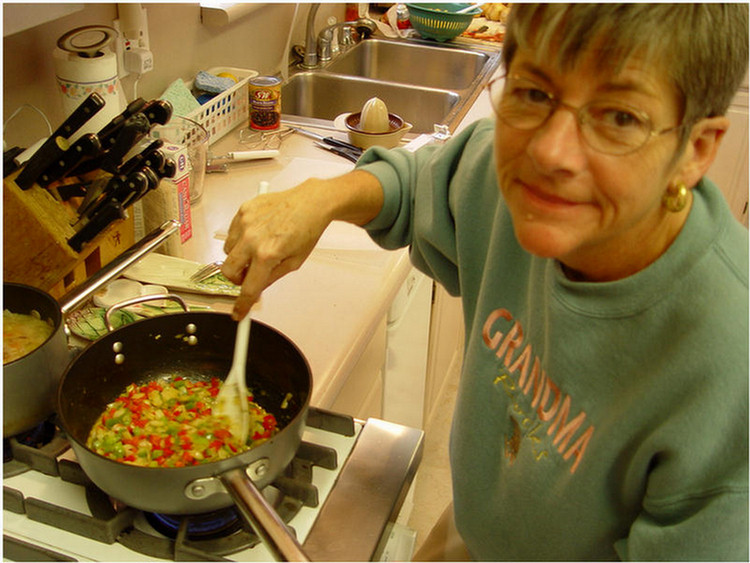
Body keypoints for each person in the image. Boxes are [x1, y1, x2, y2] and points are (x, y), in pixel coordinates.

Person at [222, 4, 749, 560]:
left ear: (696, 149)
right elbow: (418, 183)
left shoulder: (727, 364)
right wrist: (319, 199)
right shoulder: (509, 186)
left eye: (619, 117)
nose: (548, 152)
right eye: (534, 93)